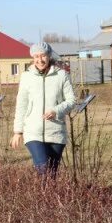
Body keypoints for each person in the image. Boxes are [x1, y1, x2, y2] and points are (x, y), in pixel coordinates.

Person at [10, 42, 76, 176]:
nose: (40, 60)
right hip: (33, 131)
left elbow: (71, 101)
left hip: (56, 132)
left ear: (49, 56)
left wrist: (56, 110)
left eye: (43, 56)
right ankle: (42, 195)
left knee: (51, 173)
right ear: (33, 58)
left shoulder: (61, 75)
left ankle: (46, 196)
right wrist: (18, 131)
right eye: (36, 56)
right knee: (43, 167)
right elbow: (21, 104)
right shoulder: (27, 76)